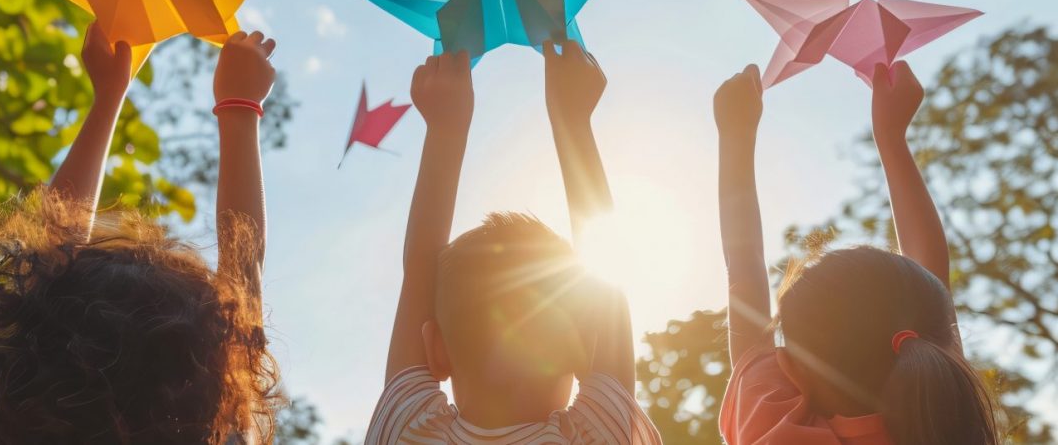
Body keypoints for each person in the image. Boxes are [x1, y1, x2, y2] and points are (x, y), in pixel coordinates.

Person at [0, 27, 282, 444]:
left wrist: (108, 96)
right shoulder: (209, 427)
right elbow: (242, 286)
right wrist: (240, 107)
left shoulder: (19, 413)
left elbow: (48, 257)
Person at [366, 42, 661, 444]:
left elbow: (419, 267)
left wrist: (445, 126)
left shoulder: (407, 434)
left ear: (435, 349)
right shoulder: (599, 436)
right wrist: (572, 118)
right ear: (583, 346)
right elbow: (607, 277)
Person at [714, 61, 1000, 445]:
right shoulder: (949, 422)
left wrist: (735, 133)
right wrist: (892, 137)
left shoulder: (780, 432)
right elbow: (744, 273)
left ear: (792, 369)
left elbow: (743, 271)